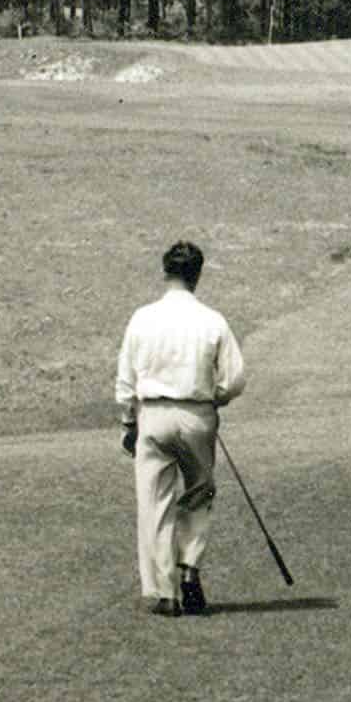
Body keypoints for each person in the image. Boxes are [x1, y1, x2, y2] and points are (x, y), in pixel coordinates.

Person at [114, 240, 246, 617]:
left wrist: (128, 421)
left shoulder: (142, 317)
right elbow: (235, 379)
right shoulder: (212, 320)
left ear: (165, 271)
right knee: (199, 493)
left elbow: (126, 378)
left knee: (154, 504)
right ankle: (190, 568)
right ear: (197, 275)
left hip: (152, 415)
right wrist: (213, 397)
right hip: (196, 416)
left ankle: (163, 591)